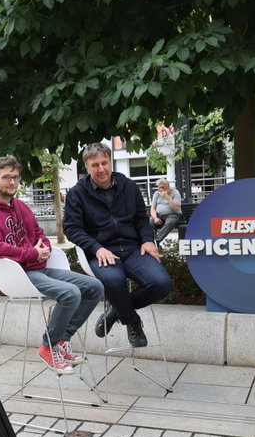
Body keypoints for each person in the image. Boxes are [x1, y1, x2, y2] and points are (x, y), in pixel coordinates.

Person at [0, 156, 103, 374]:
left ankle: (62, 340)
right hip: (17, 274)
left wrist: (45, 249)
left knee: (95, 287)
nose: (12, 182)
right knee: (70, 293)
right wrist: (31, 252)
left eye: (15, 177)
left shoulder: (22, 207)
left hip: (37, 268)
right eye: (6, 177)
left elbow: (39, 234)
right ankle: (47, 346)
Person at [63, 143, 173, 348]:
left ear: (110, 162)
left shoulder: (129, 186)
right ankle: (131, 321)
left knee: (162, 283)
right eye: (95, 165)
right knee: (114, 282)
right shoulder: (77, 193)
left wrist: (148, 240)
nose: (101, 168)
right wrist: (96, 248)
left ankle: (117, 309)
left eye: (104, 162)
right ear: (87, 167)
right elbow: (72, 229)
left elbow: (142, 219)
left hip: (133, 249)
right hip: (101, 252)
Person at [149, 178, 184, 246]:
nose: (161, 189)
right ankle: (153, 242)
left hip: (173, 214)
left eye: (163, 187)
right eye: (159, 187)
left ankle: (157, 241)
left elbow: (176, 208)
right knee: (151, 221)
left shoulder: (175, 192)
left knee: (170, 222)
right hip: (159, 215)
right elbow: (153, 208)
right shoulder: (157, 193)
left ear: (168, 186)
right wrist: (155, 217)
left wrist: (167, 197)